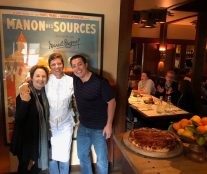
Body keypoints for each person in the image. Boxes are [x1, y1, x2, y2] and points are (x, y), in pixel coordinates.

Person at [19, 53, 75, 174]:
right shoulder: (46, 79)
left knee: (65, 155)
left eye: (59, 63)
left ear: (63, 64)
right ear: (50, 66)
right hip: (49, 125)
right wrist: (23, 86)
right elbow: (29, 82)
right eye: (53, 64)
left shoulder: (71, 80)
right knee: (52, 155)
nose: (57, 66)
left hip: (66, 124)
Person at [70, 54, 116, 174]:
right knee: (82, 156)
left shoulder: (100, 82)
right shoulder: (75, 79)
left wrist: (109, 124)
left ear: (86, 65)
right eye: (74, 66)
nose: (77, 68)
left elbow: (112, 102)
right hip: (83, 126)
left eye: (79, 64)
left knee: (101, 160)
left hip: (99, 128)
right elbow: (58, 73)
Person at [10, 65, 50, 174]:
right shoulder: (25, 93)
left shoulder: (45, 95)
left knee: (39, 165)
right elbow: (18, 118)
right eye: (37, 76)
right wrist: (24, 102)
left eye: (43, 76)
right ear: (32, 77)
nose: (40, 79)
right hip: (25, 139)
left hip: (39, 138)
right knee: (23, 166)